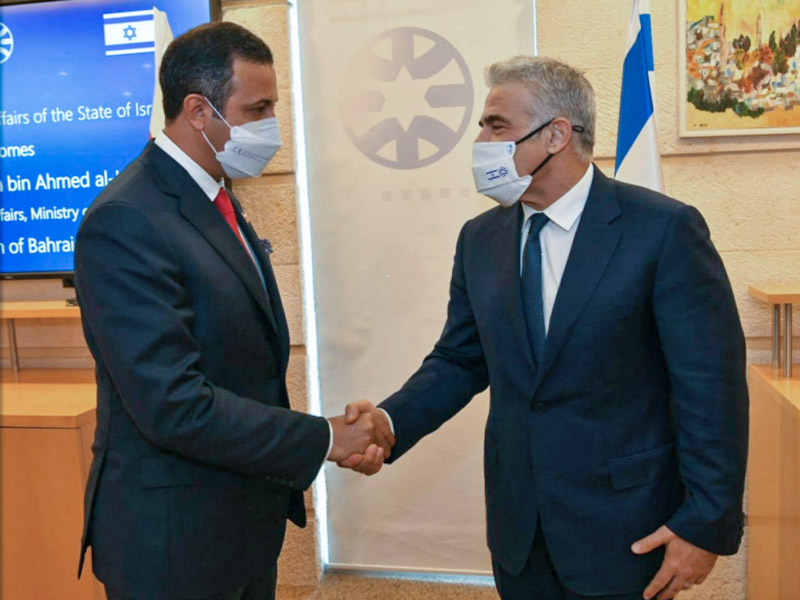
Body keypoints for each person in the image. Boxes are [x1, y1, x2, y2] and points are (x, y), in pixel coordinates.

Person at [341, 56, 748, 600]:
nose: (481, 140)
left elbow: (711, 389)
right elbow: (461, 360)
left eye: (496, 126)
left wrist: (705, 523)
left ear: (556, 134)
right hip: (519, 531)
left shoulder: (663, 230)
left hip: (628, 530)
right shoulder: (479, 238)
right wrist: (389, 422)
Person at [74, 22, 390, 600]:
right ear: (199, 110)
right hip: (174, 543)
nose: (271, 126)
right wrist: (325, 438)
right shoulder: (127, 220)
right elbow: (173, 405)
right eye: (258, 108)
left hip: (238, 525)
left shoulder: (215, 197)